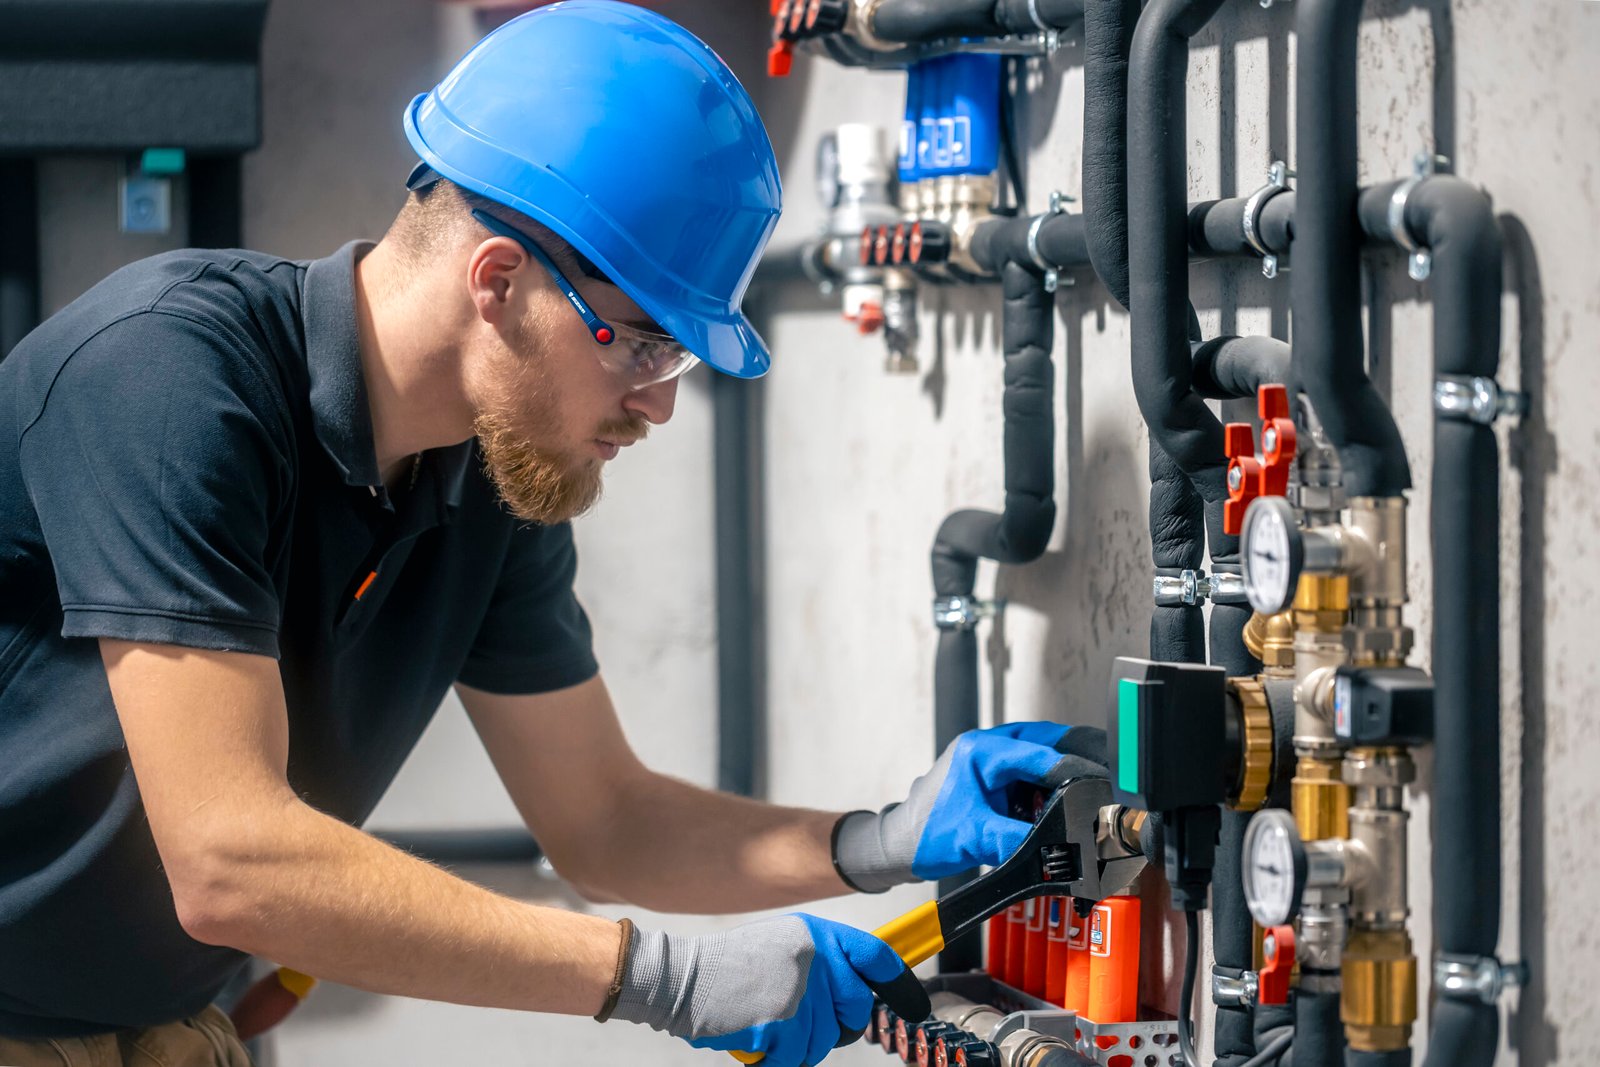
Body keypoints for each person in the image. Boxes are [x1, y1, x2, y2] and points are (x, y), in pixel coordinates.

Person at [0, 4, 1093, 1065]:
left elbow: (604, 820)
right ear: (499, 282)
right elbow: (231, 857)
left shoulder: (491, 479)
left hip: (164, 1024)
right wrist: (668, 978)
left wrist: (877, 839)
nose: (659, 405)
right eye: (642, 347)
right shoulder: (171, 378)